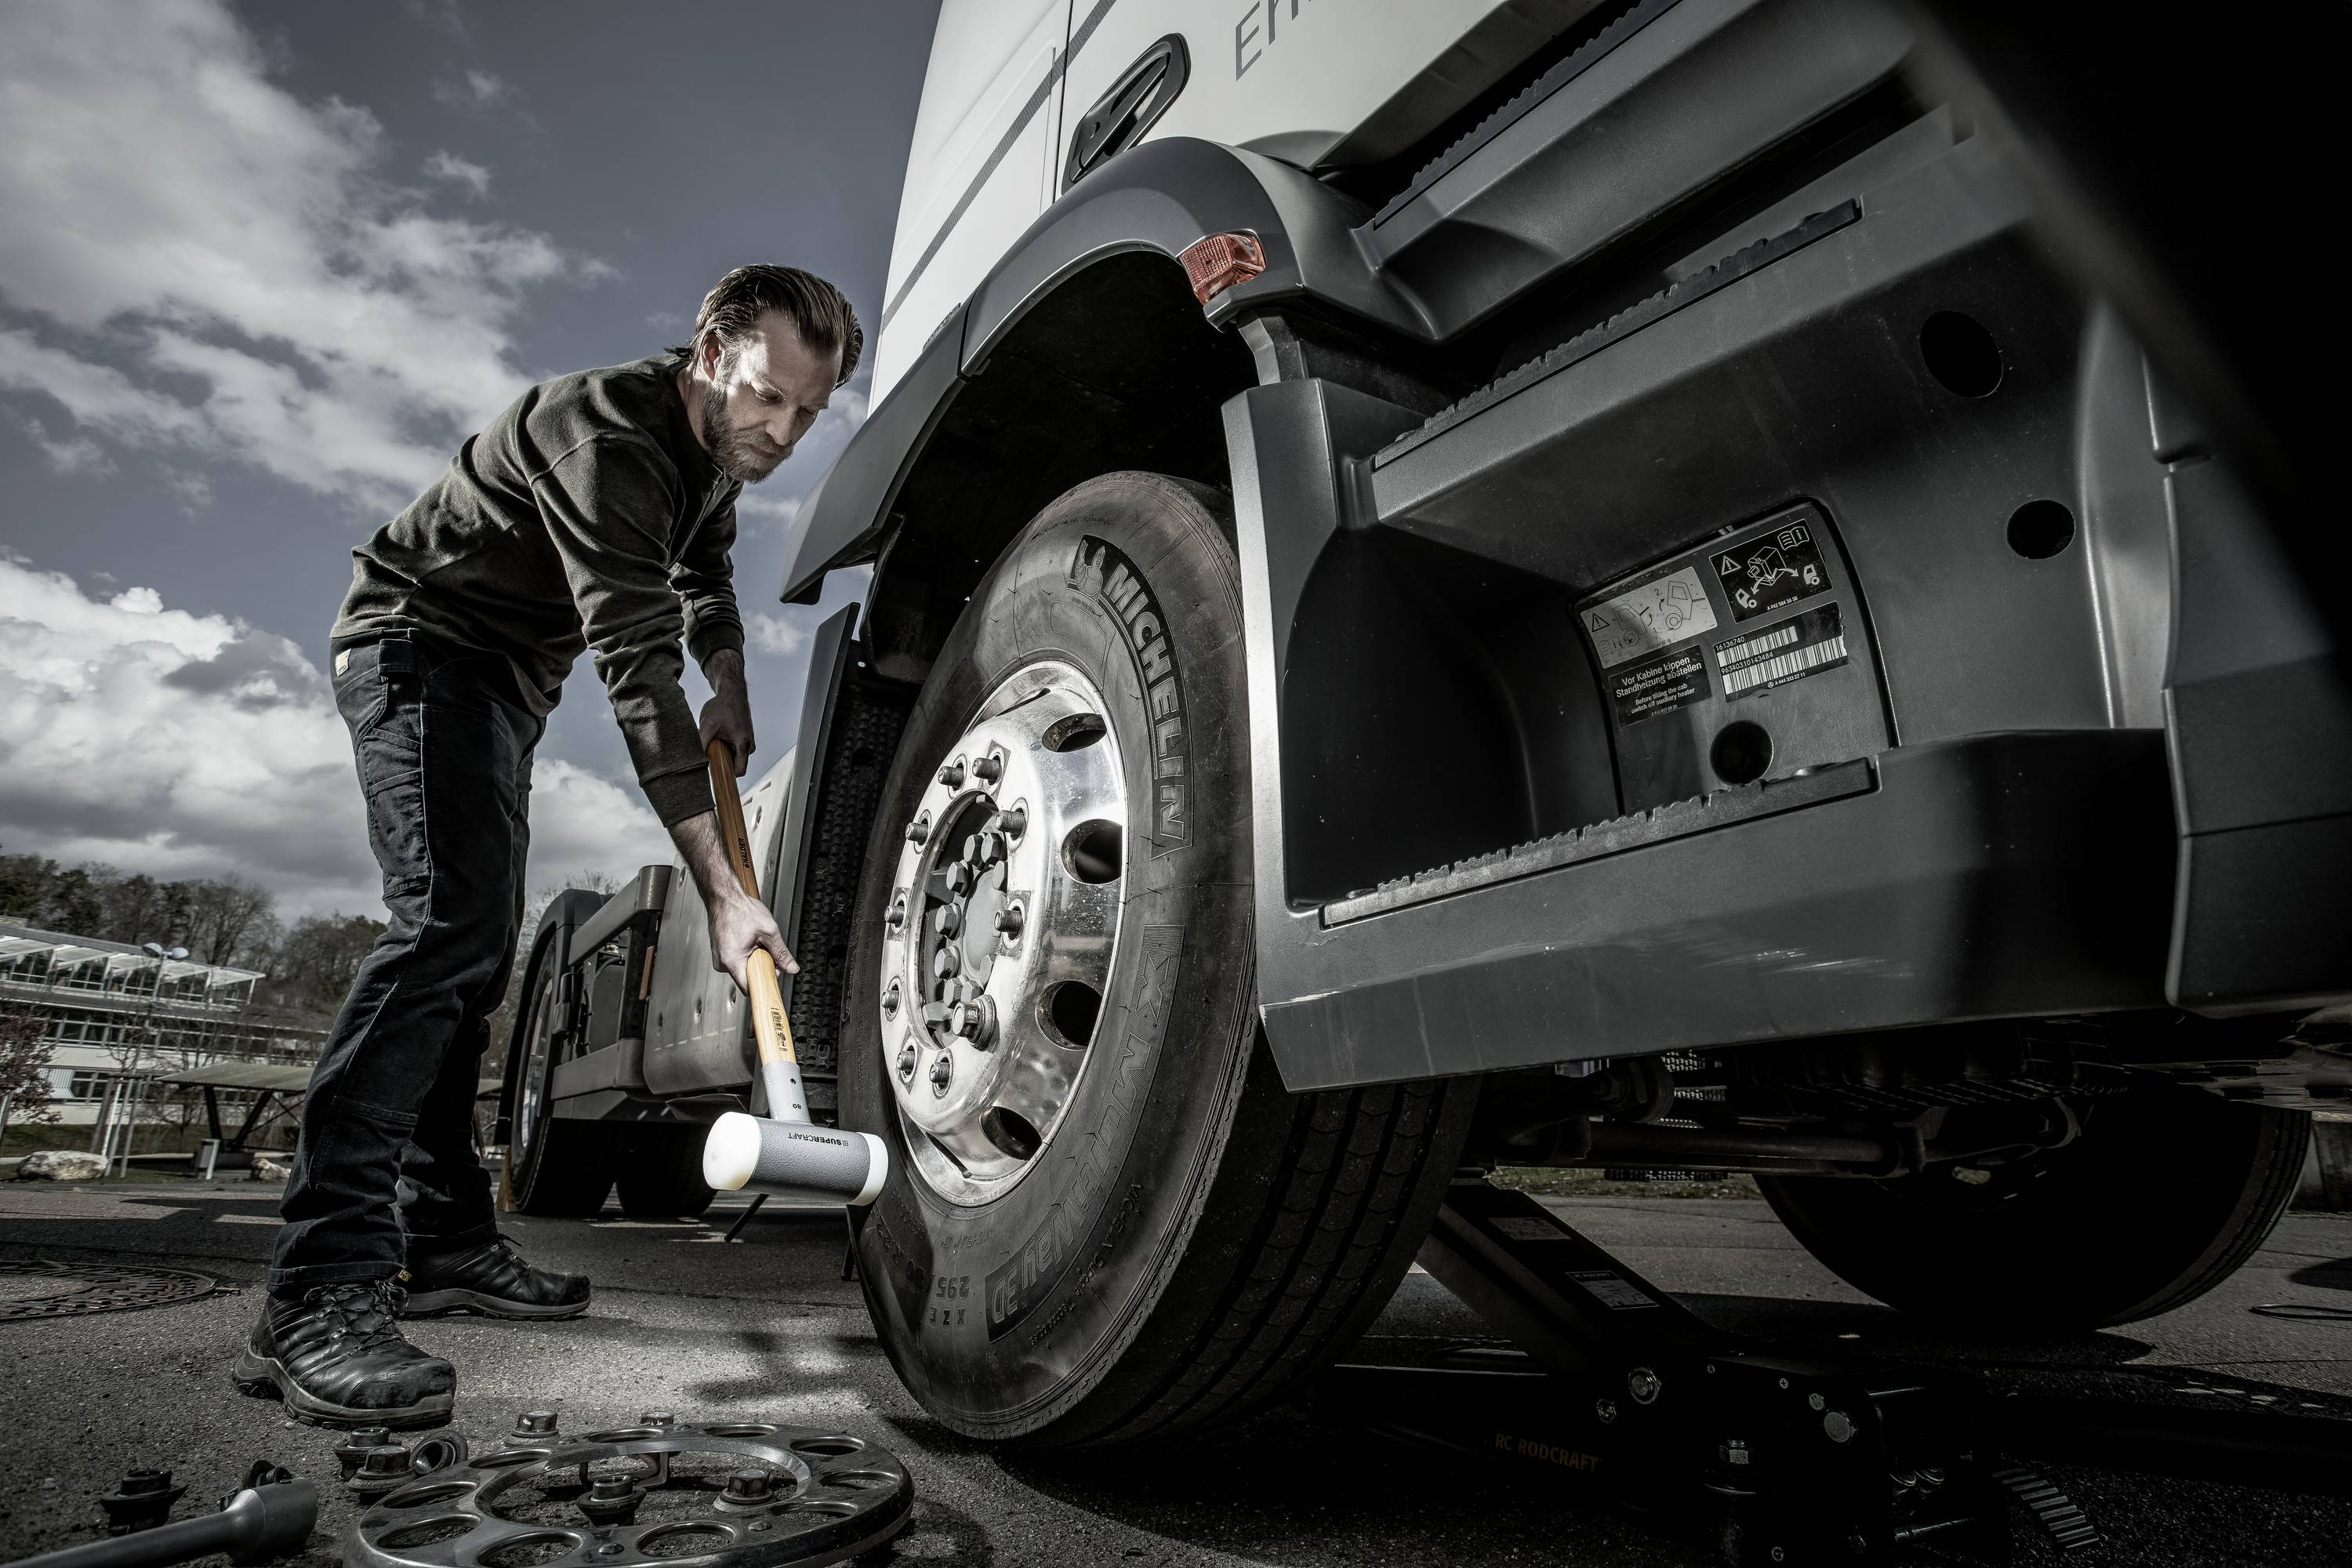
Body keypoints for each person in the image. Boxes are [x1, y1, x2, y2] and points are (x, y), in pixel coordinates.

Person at [233, 266, 856, 1428]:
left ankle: (447, 1241)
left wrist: (729, 674)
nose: (783, 431)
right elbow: (632, 664)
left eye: (810, 412)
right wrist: (724, 891)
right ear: (711, 349)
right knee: (442, 934)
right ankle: (317, 1290)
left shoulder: (710, 453)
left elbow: (703, 572)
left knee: (470, 968)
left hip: (504, 682)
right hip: (419, 646)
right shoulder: (604, 435)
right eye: (770, 397)